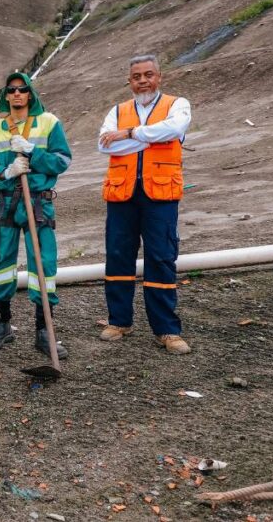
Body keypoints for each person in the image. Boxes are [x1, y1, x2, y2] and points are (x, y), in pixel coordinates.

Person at [98, 54, 192, 355]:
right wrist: (153, 138)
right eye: (137, 76)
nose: (143, 80)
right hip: (122, 194)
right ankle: (119, 321)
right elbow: (103, 144)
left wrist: (128, 134)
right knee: (117, 255)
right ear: (129, 81)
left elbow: (175, 129)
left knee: (162, 257)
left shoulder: (177, 105)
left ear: (159, 77)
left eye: (148, 74)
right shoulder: (116, 110)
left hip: (160, 195)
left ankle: (166, 329)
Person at [0, 72, 71, 358]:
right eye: (11, 90)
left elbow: (63, 161)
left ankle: (45, 331)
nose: (17, 94)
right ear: (5, 95)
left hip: (38, 203)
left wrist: (33, 153)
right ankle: (2, 325)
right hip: (5, 203)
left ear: (30, 94)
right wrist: (6, 171)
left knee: (43, 264)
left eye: (22, 89)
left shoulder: (49, 123)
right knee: (3, 264)